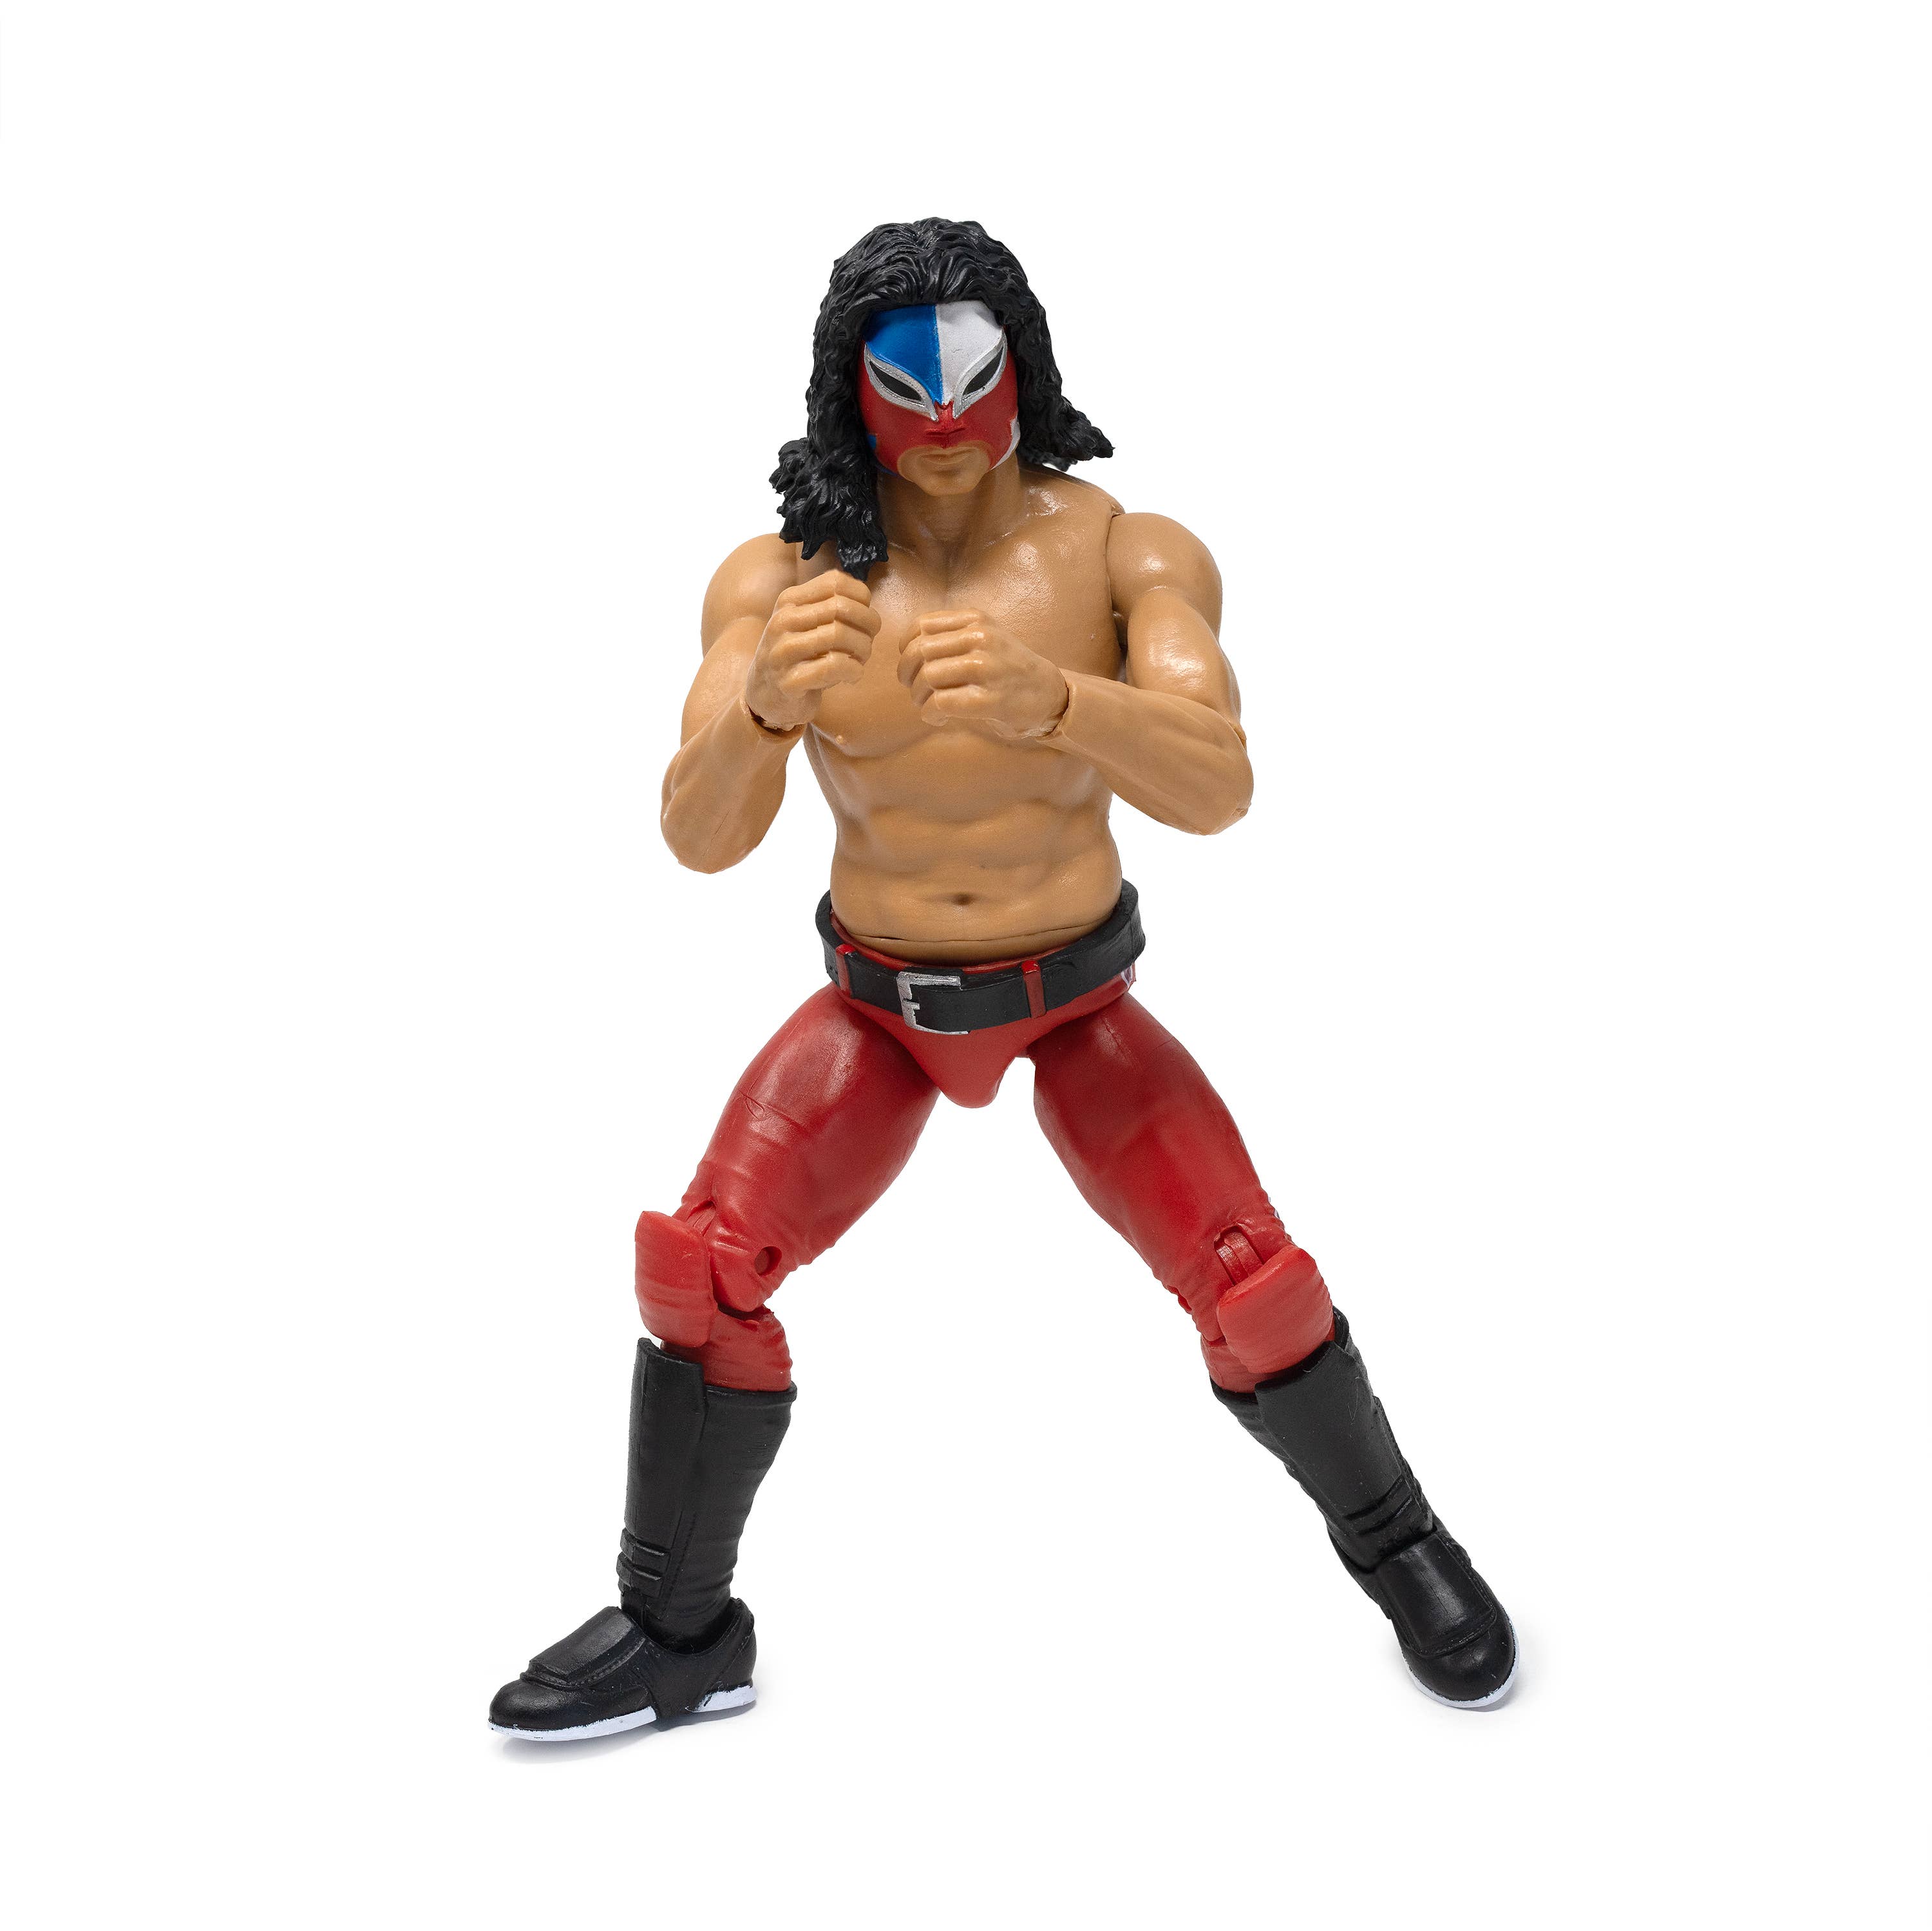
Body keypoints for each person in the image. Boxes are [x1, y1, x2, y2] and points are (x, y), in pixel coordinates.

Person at [489, 218, 1516, 1740]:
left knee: (1254, 1279)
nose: (948, 425)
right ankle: (678, 1630)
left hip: (1078, 997)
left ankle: (1404, 1546)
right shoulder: (780, 577)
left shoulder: (1122, 550)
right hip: (880, 1010)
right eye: (908, 389)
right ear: (849, 393)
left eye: (976, 381)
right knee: (699, 1270)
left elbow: (1220, 783)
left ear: (1024, 372)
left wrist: (1060, 701)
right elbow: (698, 839)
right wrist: (762, 707)